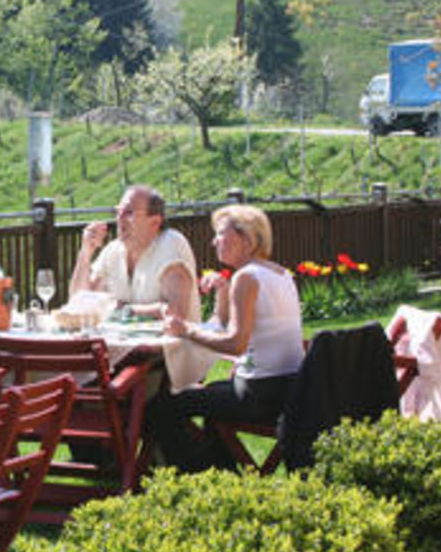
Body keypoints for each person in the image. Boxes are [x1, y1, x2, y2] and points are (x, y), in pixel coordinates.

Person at [148, 204, 305, 472]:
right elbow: (231, 329)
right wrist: (222, 291)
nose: (214, 241)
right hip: (292, 388)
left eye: (221, 234)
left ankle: (196, 476)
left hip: (258, 394)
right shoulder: (278, 273)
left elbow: (235, 344)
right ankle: (222, 471)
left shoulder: (246, 278)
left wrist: (185, 330)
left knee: (161, 407)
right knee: (207, 400)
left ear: (247, 239)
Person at [69, 185, 199, 322]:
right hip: (120, 342)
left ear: (154, 222)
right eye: (118, 212)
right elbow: (78, 302)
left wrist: (125, 309)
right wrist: (85, 253)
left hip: (167, 343)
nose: (119, 219)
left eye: (129, 213)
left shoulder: (171, 244)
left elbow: (176, 314)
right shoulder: (113, 251)